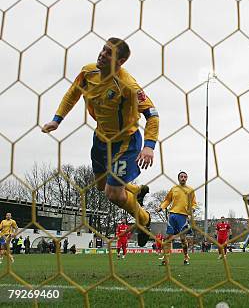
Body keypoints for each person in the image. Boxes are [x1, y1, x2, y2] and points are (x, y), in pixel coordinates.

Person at [41, 38, 158, 247]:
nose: (103, 55)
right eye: (104, 50)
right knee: (102, 186)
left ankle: (144, 218)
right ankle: (136, 190)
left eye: (109, 53)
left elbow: (152, 113)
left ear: (120, 61)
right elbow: (72, 93)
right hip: (101, 139)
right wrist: (57, 119)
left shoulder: (128, 86)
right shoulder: (88, 72)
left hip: (125, 143)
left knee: (113, 194)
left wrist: (149, 146)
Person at [157, 171, 197, 266]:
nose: (183, 178)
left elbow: (194, 203)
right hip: (172, 215)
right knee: (168, 238)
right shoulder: (174, 189)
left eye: (185, 177)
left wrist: (193, 209)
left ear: (187, 178)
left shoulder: (190, 190)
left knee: (183, 239)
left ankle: (186, 256)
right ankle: (166, 258)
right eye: (181, 176)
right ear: (178, 178)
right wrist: (161, 207)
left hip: (183, 216)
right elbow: (167, 200)